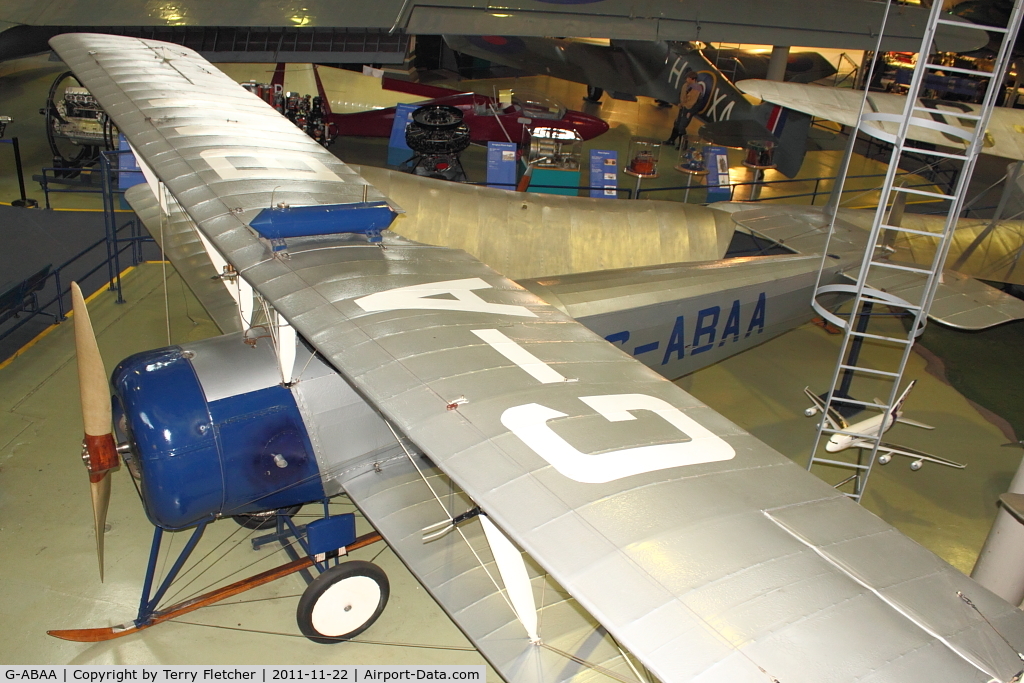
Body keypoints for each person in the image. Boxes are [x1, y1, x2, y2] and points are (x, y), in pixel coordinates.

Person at [665, 72, 705, 147]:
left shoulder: (697, 88)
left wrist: (689, 111)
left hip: (688, 109)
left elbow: (693, 102)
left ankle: (683, 144)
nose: (686, 79)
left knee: (682, 126)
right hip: (683, 107)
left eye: (688, 78)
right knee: (677, 123)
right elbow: (682, 95)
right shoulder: (685, 85)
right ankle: (671, 140)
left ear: (692, 79)